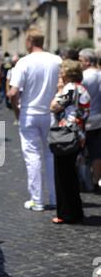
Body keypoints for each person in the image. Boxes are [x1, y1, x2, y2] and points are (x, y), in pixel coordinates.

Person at [9, 28, 62, 211]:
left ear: (30, 41)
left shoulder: (23, 62)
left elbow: (13, 92)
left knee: (32, 157)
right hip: (51, 114)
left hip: (29, 113)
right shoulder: (57, 60)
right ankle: (55, 198)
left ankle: (37, 200)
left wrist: (17, 110)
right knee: (51, 156)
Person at [50, 60, 90, 224]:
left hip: (66, 135)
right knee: (71, 175)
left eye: (62, 71)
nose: (60, 73)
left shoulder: (70, 88)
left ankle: (66, 213)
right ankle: (75, 211)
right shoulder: (81, 88)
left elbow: (54, 107)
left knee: (63, 175)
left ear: (68, 73)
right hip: (78, 134)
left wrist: (59, 90)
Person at [78, 48, 101, 192]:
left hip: (87, 118)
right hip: (99, 117)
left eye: (80, 60)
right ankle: (96, 180)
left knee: (82, 151)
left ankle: (84, 180)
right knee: (97, 152)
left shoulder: (84, 77)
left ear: (87, 61)